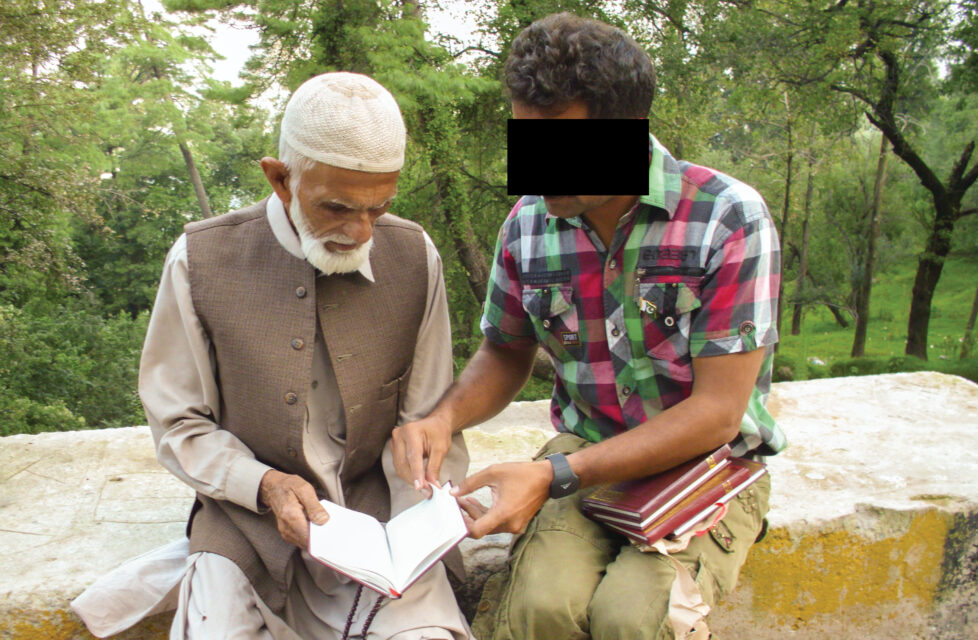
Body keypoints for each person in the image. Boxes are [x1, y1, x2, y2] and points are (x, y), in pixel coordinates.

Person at [391, 13, 786, 640]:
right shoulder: (527, 226)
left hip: (706, 465)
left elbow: (717, 411)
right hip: (582, 453)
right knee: (537, 611)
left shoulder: (726, 218)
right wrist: (441, 419)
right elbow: (504, 352)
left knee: (635, 618)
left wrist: (550, 476)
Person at [137, 72, 473, 640]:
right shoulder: (200, 260)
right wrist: (262, 483)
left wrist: (424, 523)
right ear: (280, 179)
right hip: (248, 522)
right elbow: (178, 423)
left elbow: (427, 419)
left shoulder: (414, 256)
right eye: (337, 207)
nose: (360, 230)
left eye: (379, 207)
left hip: (380, 524)